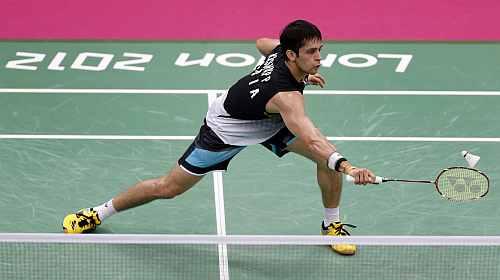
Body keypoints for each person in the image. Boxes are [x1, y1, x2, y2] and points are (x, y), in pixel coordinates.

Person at [62, 19, 376, 255]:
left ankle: (330, 225)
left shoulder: (284, 54)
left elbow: (261, 42)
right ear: (293, 55)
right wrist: (348, 167)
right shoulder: (286, 96)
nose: (319, 57)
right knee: (168, 188)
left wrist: (305, 72)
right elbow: (311, 136)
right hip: (227, 128)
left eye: (320, 49)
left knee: (326, 160)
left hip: (267, 120)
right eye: (311, 52)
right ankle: (99, 212)